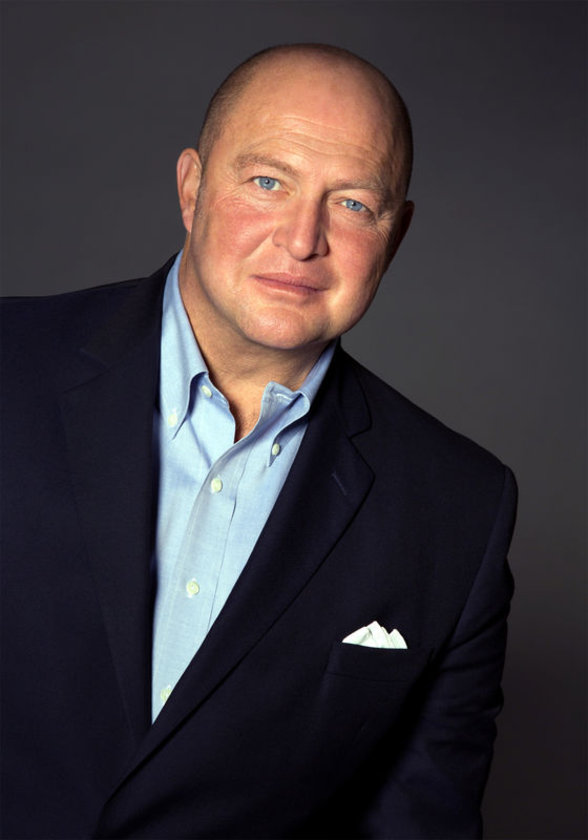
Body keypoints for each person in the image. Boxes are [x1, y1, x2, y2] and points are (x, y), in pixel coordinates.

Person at [0, 44, 516, 839]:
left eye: (354, 204)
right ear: (192, 188)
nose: (304, 239)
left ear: (397, 234)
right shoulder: (11, 364)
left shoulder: (461, 509)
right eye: (268, 182)